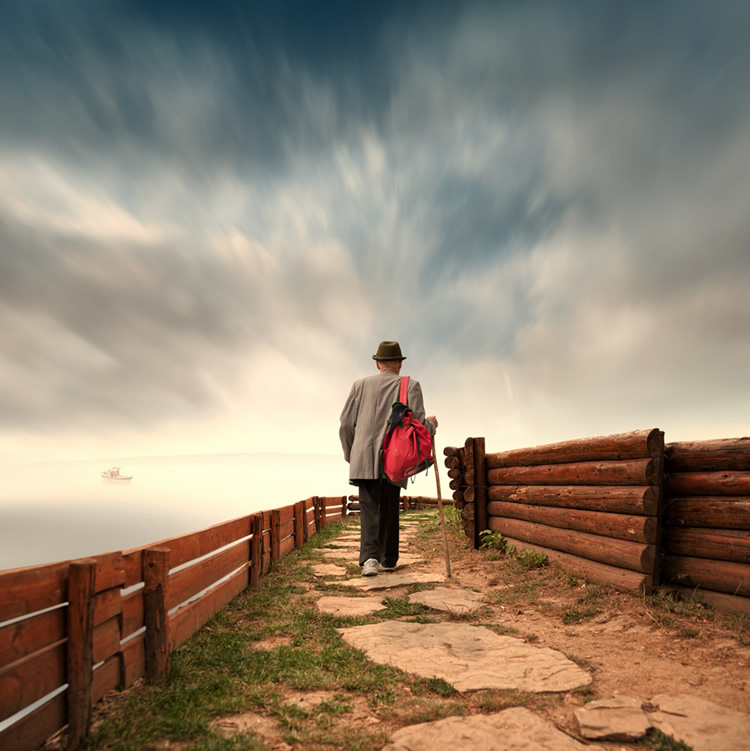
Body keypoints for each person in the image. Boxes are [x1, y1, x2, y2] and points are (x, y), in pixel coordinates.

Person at [339, 341, 438, 576]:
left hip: (363, 457)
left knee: (369, 508)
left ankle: (370, 559)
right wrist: (432, 426)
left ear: (377, 363)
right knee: (391, 506)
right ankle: (389, 559)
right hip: (396, 459)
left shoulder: (359, 386)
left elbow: (345, 425)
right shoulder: (411, 386)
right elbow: (419, 426)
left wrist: (352, 453)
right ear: (399, 364)